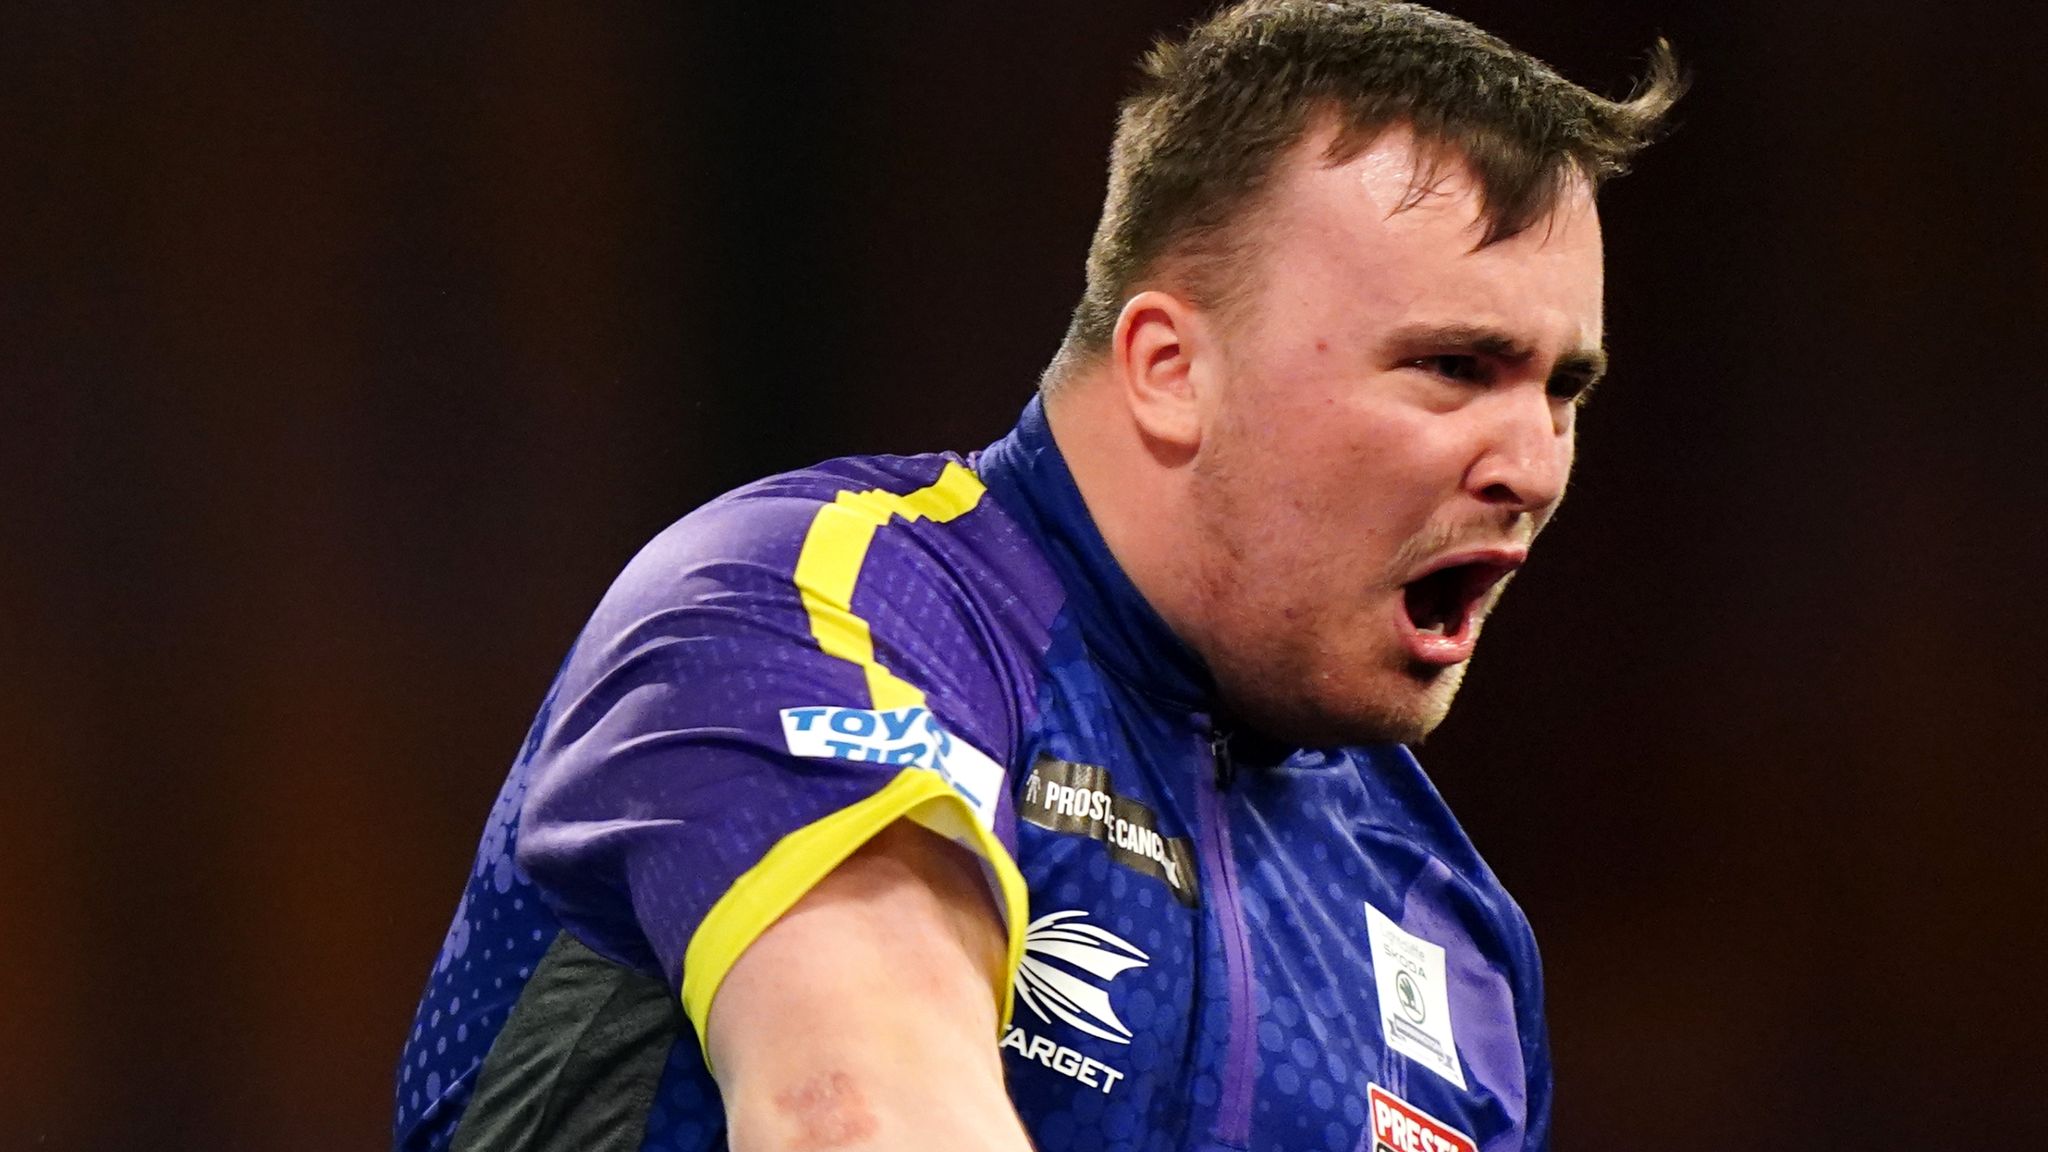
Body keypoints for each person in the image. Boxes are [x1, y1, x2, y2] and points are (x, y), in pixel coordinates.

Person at [394, 3, 1680, 1149]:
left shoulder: (1450, 935)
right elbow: (853, 1114)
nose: (1534, 464)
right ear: (1170, 369)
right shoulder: (820, 603)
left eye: (1562, 388)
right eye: (1454, 367)